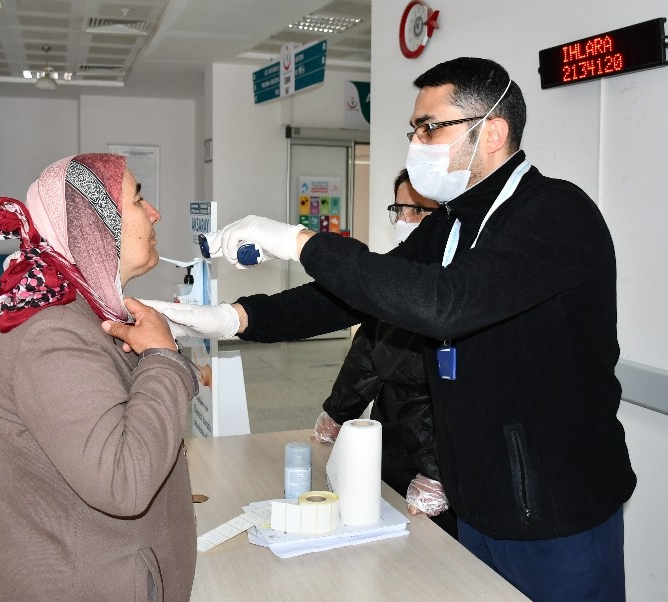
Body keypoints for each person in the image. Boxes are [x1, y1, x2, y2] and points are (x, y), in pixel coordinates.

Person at [158, 57, 636, 602]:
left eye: (431, 127)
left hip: (556, 510)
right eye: (415, 128)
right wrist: (235, 317)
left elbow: (443, 305)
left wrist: (298, 242)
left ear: (493, 132)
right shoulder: (452, 225)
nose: (417, 141)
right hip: (476, 501)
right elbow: (352, 296)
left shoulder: (555, 214)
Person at [0, 153, 203, 602]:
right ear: (94, 222)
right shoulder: (53, 332)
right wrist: (161, 356)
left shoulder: (80, 308)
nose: (154, 212)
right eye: (138, 200)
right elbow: (124, 481)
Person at [313, 169, 457, 537]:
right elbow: (367, 352)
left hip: (442, 463)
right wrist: (336, 413)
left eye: (419, 212)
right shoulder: (396, 277)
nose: (406, 222)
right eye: (400, 209)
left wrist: (436, 472)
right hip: (390, 437)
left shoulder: (454, 290)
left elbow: (458, 398)